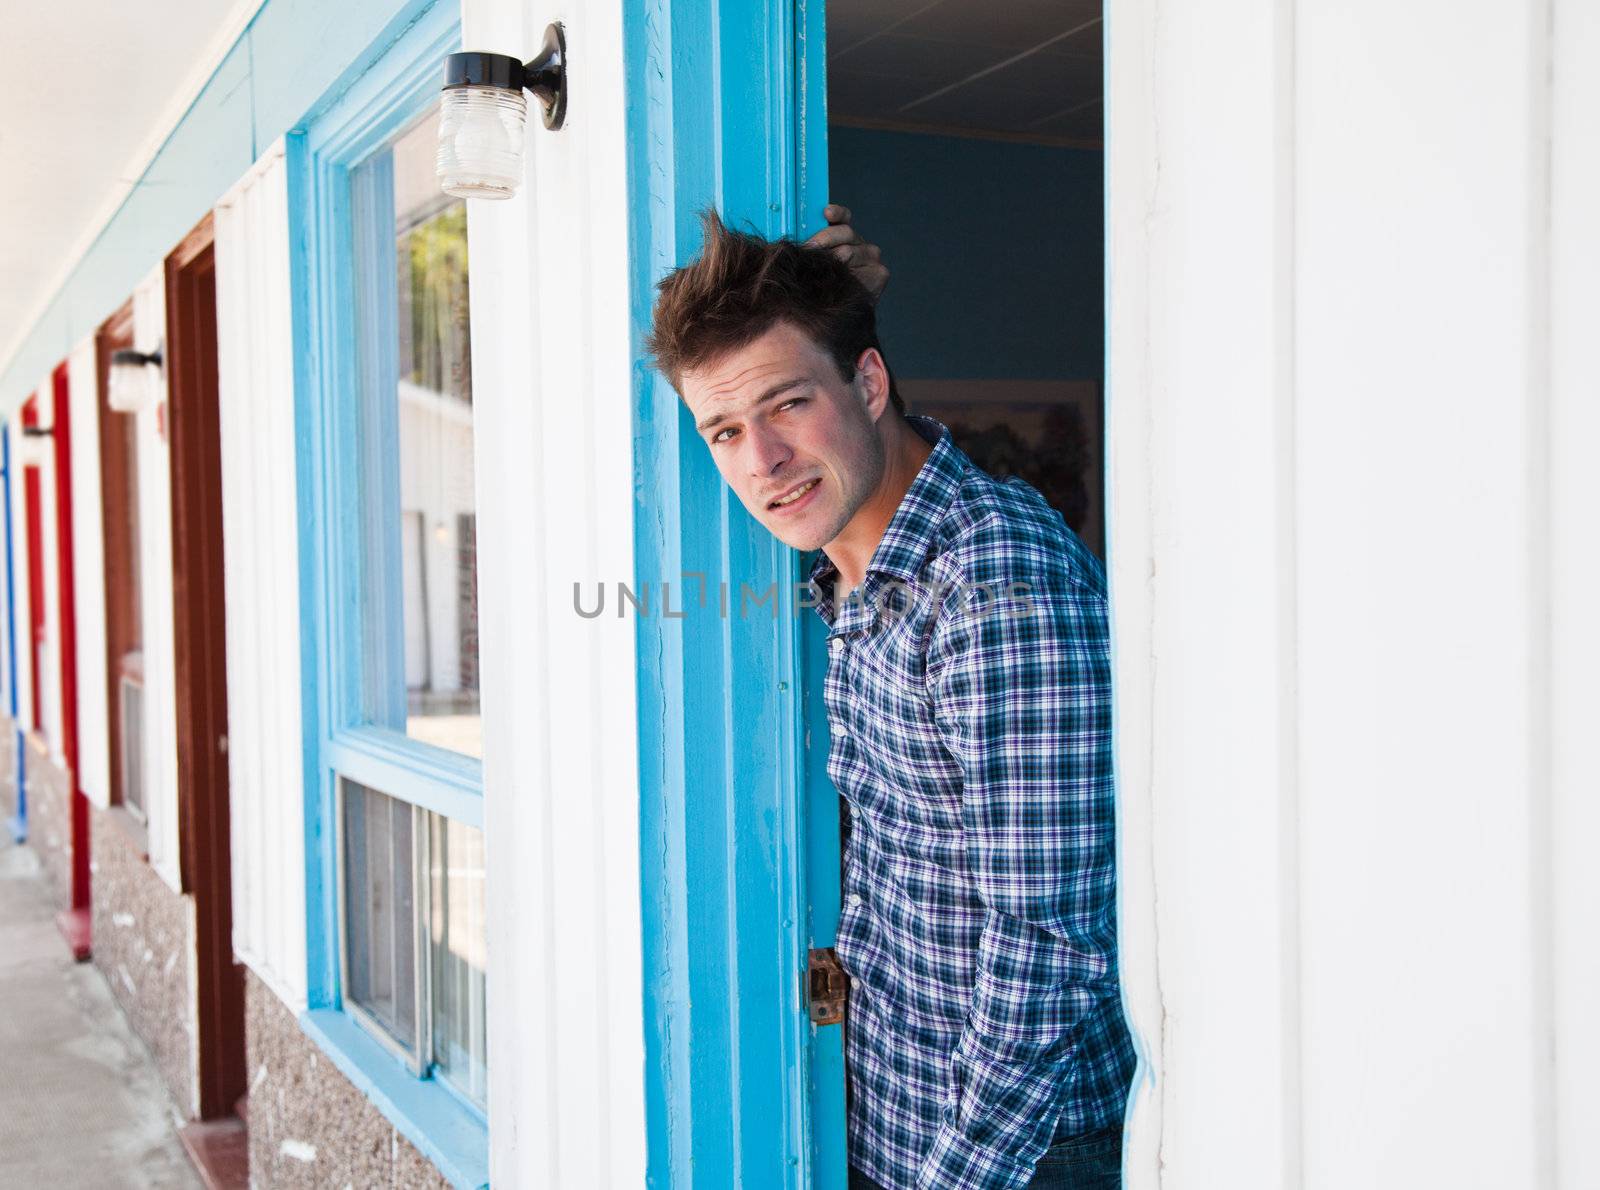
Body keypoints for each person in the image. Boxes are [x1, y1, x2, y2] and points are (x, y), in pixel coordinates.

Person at [646, 207, 1134, 1190]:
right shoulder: (849, 572)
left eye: (787, 405)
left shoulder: (1001, 585)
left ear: (868, 382)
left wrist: (950, 1177)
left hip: (1020, 1157)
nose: (761, 461)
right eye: (726, 429)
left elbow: (1047, 945)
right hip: (884, 1118)